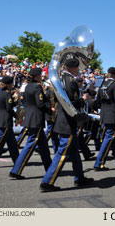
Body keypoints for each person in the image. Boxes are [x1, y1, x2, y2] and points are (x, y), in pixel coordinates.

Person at [40, 58, 93, 192]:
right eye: (77, 68)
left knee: (74, 152)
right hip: (67, 121)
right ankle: (47, 181)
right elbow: (71, 103)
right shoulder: (70, 82)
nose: (79, 70)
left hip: (64, 119)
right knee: (62, 152)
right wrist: (84, 99)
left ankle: (79, 178)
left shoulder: (61, 78)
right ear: (73, 68)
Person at [9, 68, 52, 179]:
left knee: (44, 147)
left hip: (30, 116)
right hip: (36, 118)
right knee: (30, 144)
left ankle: (50, 168)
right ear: (37, 76)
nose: (41, 76)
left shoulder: (28, 86)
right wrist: (50, 110)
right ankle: (16, 170)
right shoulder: (37, 87)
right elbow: (40, 103)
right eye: (40, 75)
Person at [93, 67, 115, 171]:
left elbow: (97, 101)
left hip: (104, 114)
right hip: (112, 114)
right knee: (109, 137)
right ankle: (99, 163)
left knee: (112, 138)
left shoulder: (103, 84)